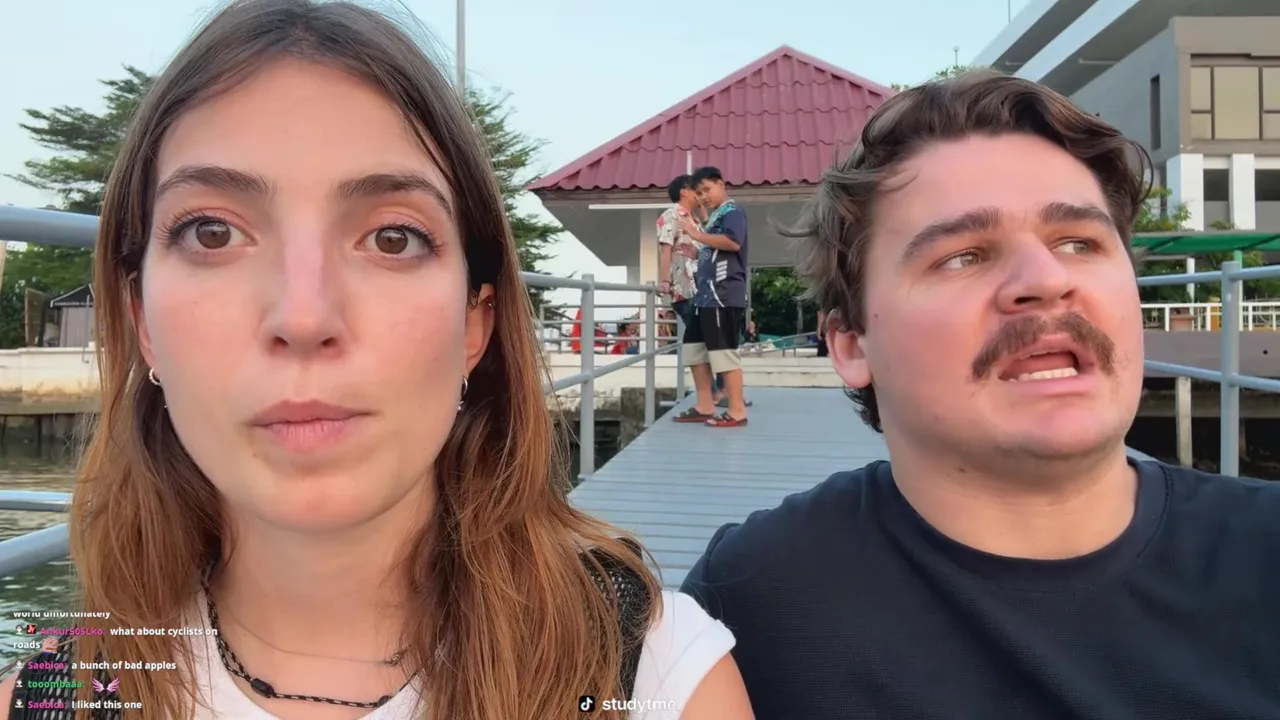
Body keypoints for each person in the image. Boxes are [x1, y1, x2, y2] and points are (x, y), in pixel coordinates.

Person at [0, 2, 756, 719]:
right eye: (212, 234)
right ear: (142, 322)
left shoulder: (652, 678)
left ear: (476, 323)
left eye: (394, 238)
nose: (303, 317)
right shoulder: (49, 701)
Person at [680, 70, 1280, 718]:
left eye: (1078, 243)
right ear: (850, 345)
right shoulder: (750, 603)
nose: (1045, 279)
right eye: (963, 256)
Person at [672, 167, 749, 427]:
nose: (704, 196)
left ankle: (737, 411)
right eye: (699, 193)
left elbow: (733, 242)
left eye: (707, 189)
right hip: (705, 296)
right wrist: (695, 252)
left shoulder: (732, 211)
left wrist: (696, 235)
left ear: (721, 184)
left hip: (723, 293)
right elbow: (715, 249)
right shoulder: (716, 215)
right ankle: (705, 405)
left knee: (723, 351)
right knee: (694, 348)